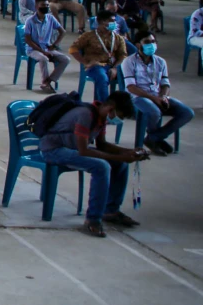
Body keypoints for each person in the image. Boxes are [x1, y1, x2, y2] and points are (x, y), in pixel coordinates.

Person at [37, 90, 144, 238]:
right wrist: (121, 157)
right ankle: (92, 219)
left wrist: (129, 152)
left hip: (72, 148)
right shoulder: (86, 115)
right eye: (119, 116)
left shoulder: (101, 117)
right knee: (102, 167)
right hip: (53, 150)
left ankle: (111, 210)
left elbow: (102, 145)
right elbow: (84, 151)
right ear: (111, 109)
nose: (118, 120)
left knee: (120, 165)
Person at [123, 33, 194, 156]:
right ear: (138, 45)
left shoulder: (160, 61)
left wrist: (163, 97)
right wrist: (154, 99)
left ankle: (154, 138)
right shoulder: (129, 61)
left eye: (153, 41)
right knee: (154, 112)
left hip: (157, 96)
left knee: (187, 112)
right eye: (147, 42)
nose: (152, 44)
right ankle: (155, 139)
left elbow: (165, 83)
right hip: (138, 98)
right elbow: (131, 87)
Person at [70, 16, 128, 103]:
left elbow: (123, 56)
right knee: (102, 78)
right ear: (101, 22)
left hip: (113, 66)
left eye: (114, 21)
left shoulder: (118, 38)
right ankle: (104, 105)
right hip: (95, 65)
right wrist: (85, 63)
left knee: (130, 77)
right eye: (111, 21)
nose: (114, 23)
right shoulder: (88, 36)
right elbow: (73, 49)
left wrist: (115, 68)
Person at [24, 0, 70, 93]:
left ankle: (48, 81)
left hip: (47, 47)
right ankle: (45, 82)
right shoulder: (30, 21)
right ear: (37, 7)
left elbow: (62, 32)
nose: (46, 7)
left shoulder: (50, 18)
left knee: (65, 59)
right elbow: (28, 40)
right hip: (33, 49)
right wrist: (43, 52)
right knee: (43, 58)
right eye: (43, 5)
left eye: (47, 5)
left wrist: (55, 44)